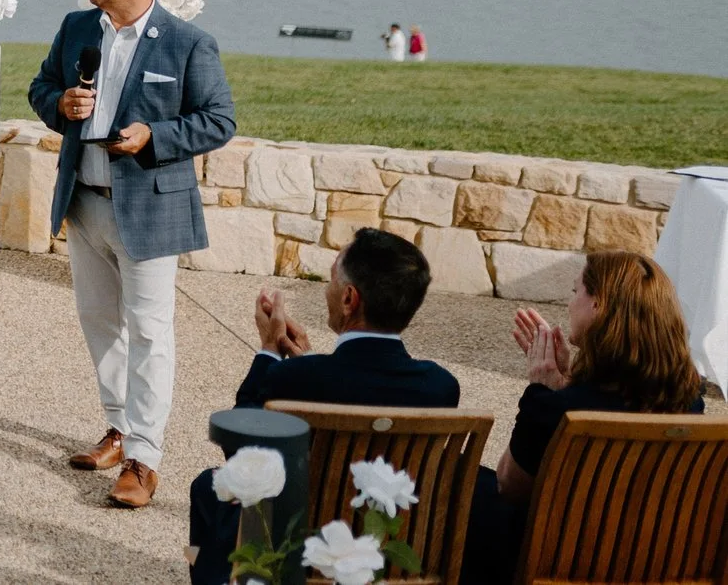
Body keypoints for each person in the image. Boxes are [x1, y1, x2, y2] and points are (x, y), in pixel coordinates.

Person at [28, 0, 236, 510]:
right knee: (99, 321)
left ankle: (145, 459)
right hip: (84, 201)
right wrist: (59, 104)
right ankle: (118, 429)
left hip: (150, 211)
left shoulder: (189, 44)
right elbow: (41, 86)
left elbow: (219, 120)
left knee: (150, 332)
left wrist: (154, 137)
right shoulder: (75, 29)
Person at [184, 228, 457, 583]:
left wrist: (269, 350)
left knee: (209, 486)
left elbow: (241, 454)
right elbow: (362, 387)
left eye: (330, 280)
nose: (325, 290)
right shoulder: (440, 387)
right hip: (389, 543)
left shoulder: (298, 378)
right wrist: (308, 363)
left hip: (301, 549)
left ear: (348, 299)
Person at [461, 250, 705, 583]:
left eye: (576, 291)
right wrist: (569, 384)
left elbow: (510, 487)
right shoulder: (690, 402)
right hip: (645, 556)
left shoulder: (557, 407)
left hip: (558, 559)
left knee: (466, 482)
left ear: (598, 305)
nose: (569, 303)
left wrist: (541, 392)